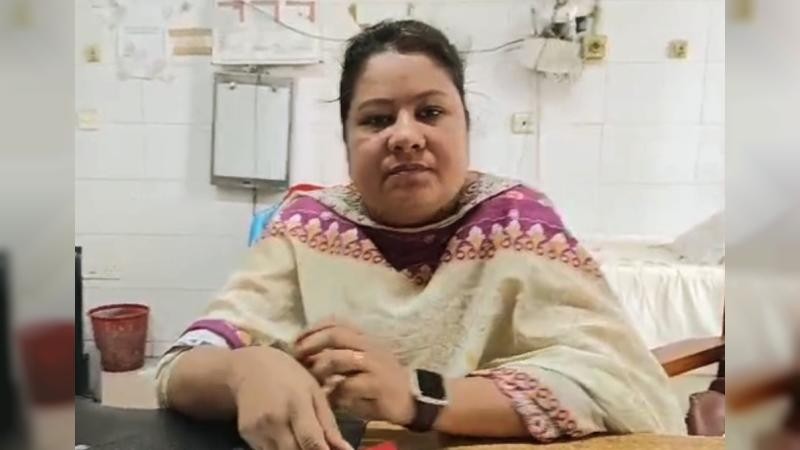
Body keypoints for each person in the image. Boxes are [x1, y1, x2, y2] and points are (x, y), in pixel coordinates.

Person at [155, 19, 684, 450]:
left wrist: (418, 396)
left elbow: (619, 387)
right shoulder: (305, 227)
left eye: (430, 112)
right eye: (376, 119)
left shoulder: (520, 224)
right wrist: (244, 370)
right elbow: (181, 366)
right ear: (346, 141)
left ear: (465, 126)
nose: (405, 136)